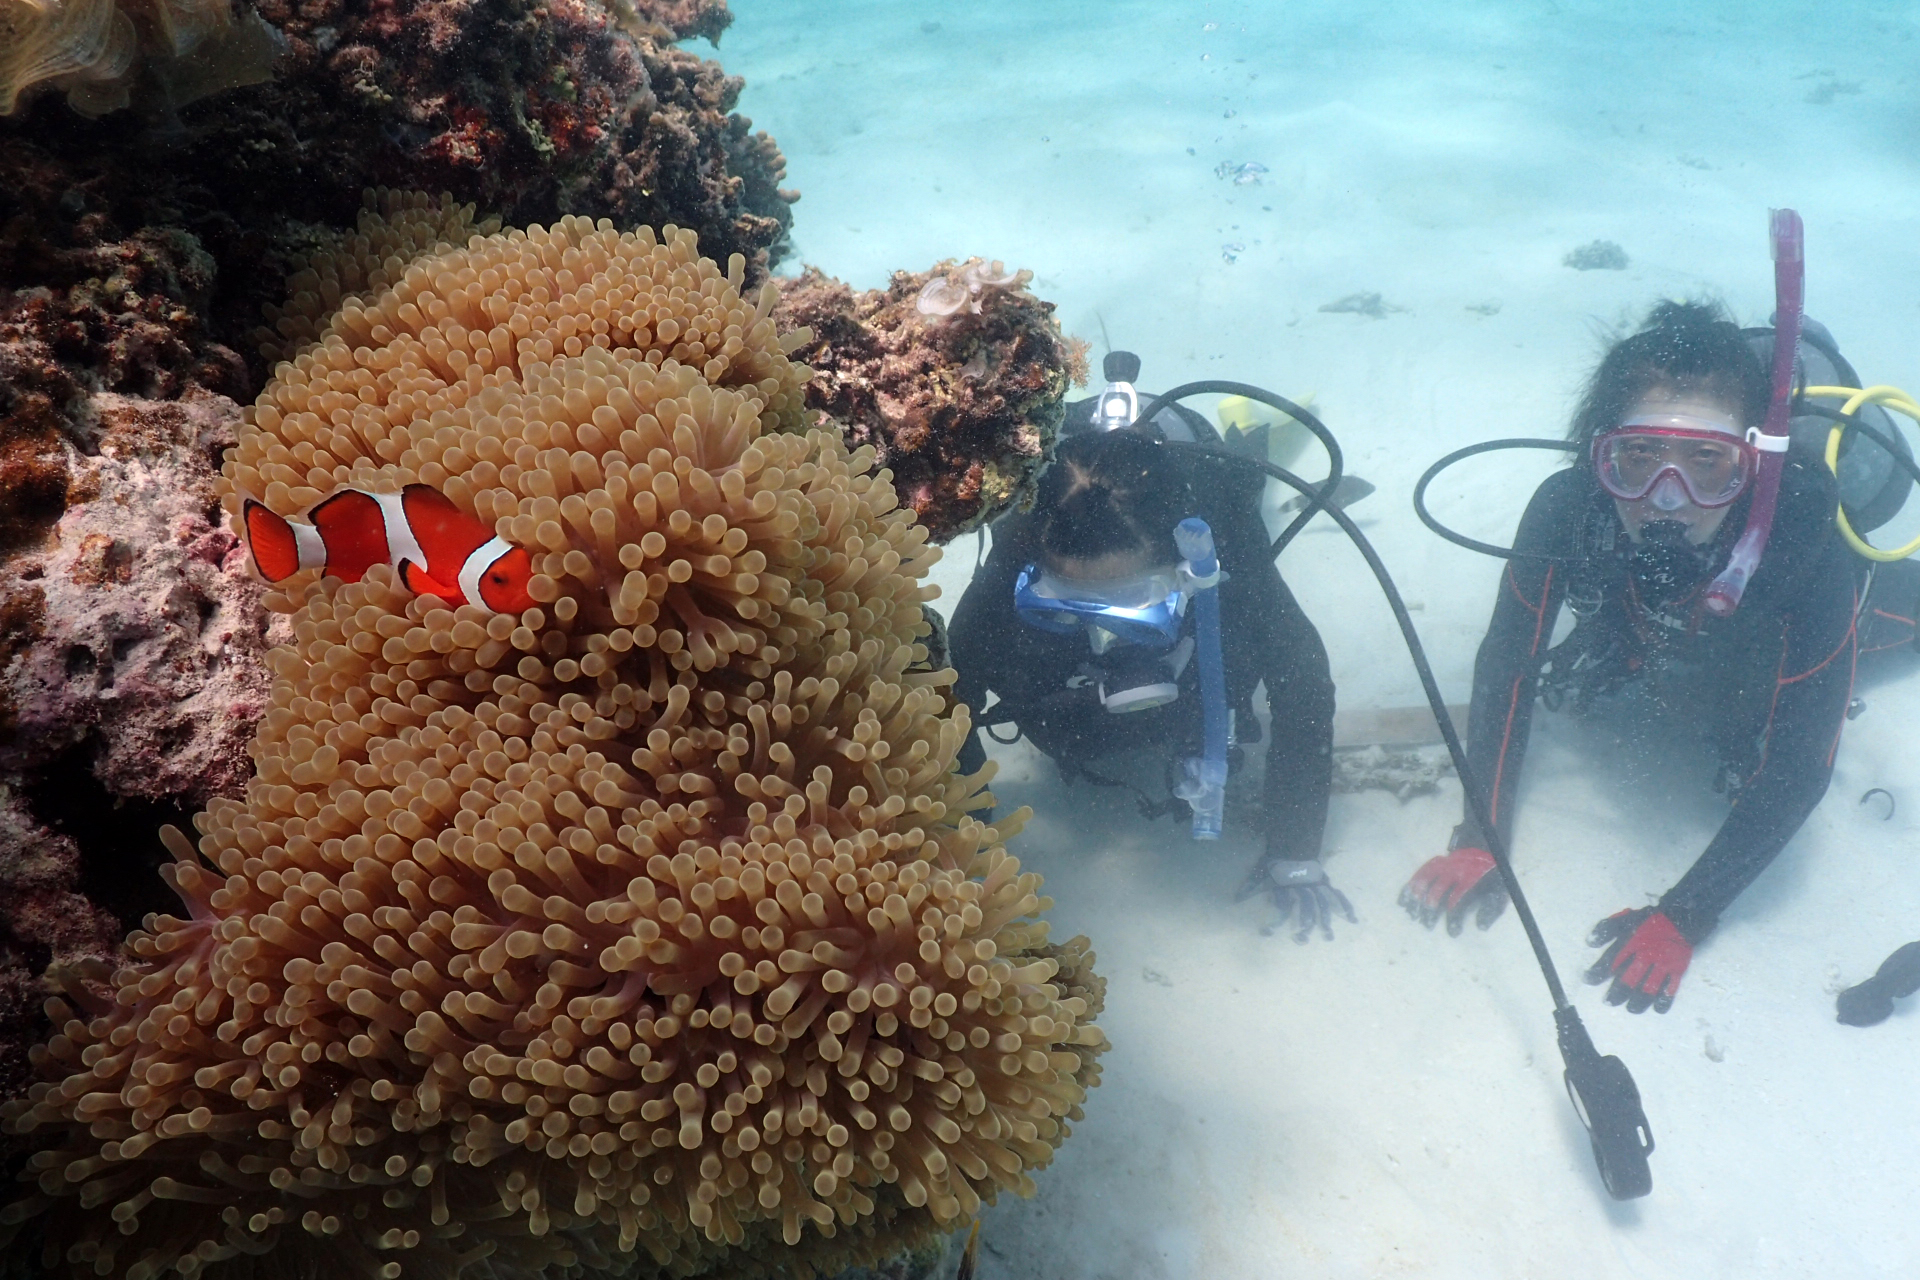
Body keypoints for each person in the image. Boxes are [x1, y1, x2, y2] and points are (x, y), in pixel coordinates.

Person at [1398, 300, 1918, 1013]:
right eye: (1638, 457)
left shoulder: (1804, 547)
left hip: (1780, 625)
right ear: (1601, 456)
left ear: (1756, 465)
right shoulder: (1568, 507)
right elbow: (1506, 665)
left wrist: (1687, 913)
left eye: (1707, 462)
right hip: (1647, 623)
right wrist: (1478, 835)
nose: (1666, 500)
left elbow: (1801, 763)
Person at [948, 397, 1347, 941]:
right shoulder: (1016, 548)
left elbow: (1305, 690)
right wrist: (963, 849)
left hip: (1201, 482)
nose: (1103, 637)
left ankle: (1249, 433)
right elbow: (948, 702)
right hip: (1074, 480)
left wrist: (1295, 852)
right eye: (1070, 603)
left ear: (1184, 569)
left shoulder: (1228, 550)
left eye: (1130, 606)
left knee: (1244, 502)